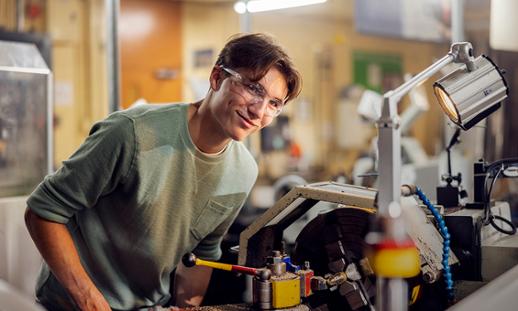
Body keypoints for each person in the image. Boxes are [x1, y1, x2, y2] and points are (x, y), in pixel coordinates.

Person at [25, 33, 302, 311]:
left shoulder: (244, 170)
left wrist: (186, 306)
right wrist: (89, 300)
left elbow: (202, 254)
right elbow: (43, 211)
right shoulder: (131, 133)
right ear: (217, 77)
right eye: (253, 88)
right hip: (73, 304)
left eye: (274, 104)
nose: (259, 111)